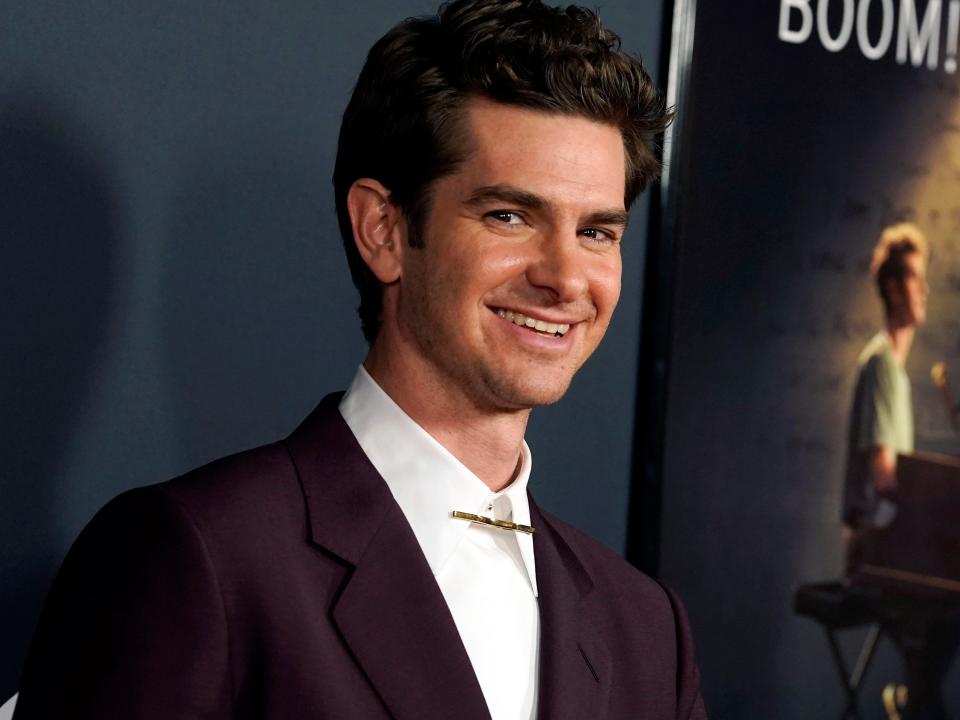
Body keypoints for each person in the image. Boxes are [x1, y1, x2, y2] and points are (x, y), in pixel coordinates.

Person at [14, 1, 707, 718]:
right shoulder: (201, 560)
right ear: (382, 229)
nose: (566, 278)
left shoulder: (648, 629)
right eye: (510, 216)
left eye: (597, 232)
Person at [842, 222, 928, 570]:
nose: (925, 289)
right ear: (893, 289)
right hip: (874, 543)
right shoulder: (882, 365)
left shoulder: (893, 369)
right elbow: (884, 477)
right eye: (914, 278)